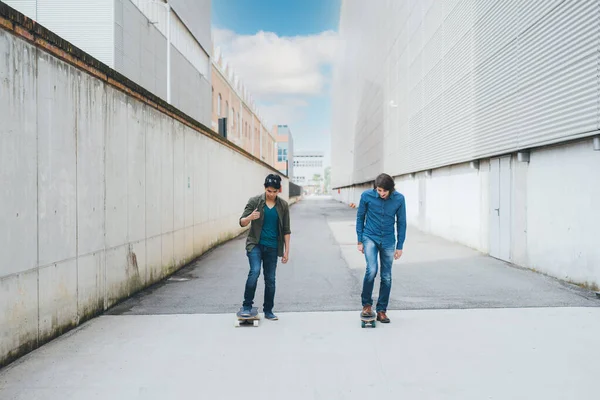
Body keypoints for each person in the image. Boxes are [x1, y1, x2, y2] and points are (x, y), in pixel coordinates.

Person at [238, 174, 291, 320]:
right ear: (265, 188)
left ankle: (268, 310)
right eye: (269, 191)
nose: (272, 194)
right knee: (254, 272)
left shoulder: (283, 205)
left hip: (273, 247)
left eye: (275, 191)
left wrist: (287, 251)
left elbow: (286, 230)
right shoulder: (255, 201)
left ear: (279, 190)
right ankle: (247, 306)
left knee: (270, 279)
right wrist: (250, 217)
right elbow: (242, 222)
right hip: (255, 244)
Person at [356, 173, 406, 323]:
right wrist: (360, 240)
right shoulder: (366, 196)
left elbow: (402, 223)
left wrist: (400, 246)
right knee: (371, 269)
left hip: (389, 240)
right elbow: (360, 217)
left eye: (385, 191)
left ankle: (382, 310)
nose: (382, 193)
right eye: (379, 190)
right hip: (370, 236)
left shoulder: (399, 199)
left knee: (386, 276)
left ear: (391, 189)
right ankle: (366, 305)